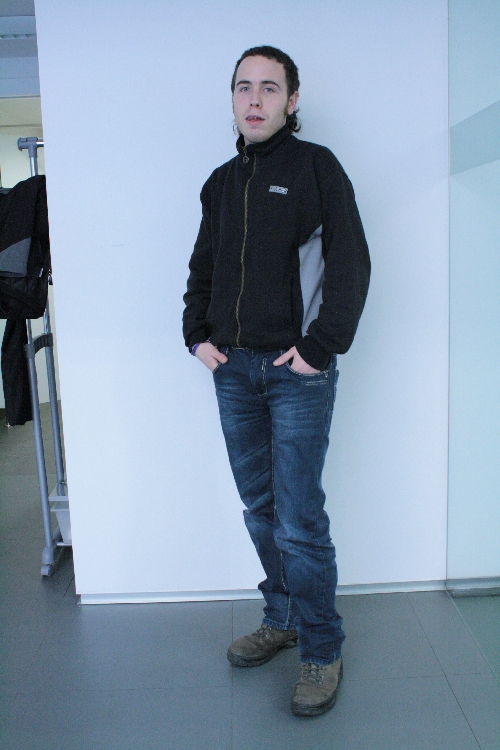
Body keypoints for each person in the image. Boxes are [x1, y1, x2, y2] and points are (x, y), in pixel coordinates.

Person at [183, 45, 370, 717]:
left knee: (298, 519)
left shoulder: (317, 168)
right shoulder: (220, 182)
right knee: (260, 509)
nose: (254, 99)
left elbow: (351, 264)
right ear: (233, 99)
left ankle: (321, 648)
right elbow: (202, 265)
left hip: (296, 375)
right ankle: (282, 616)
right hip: (233, 370)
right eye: (244, 87)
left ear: (292, 100)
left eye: (269, 87)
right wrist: (196, 334)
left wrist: (320, 348)